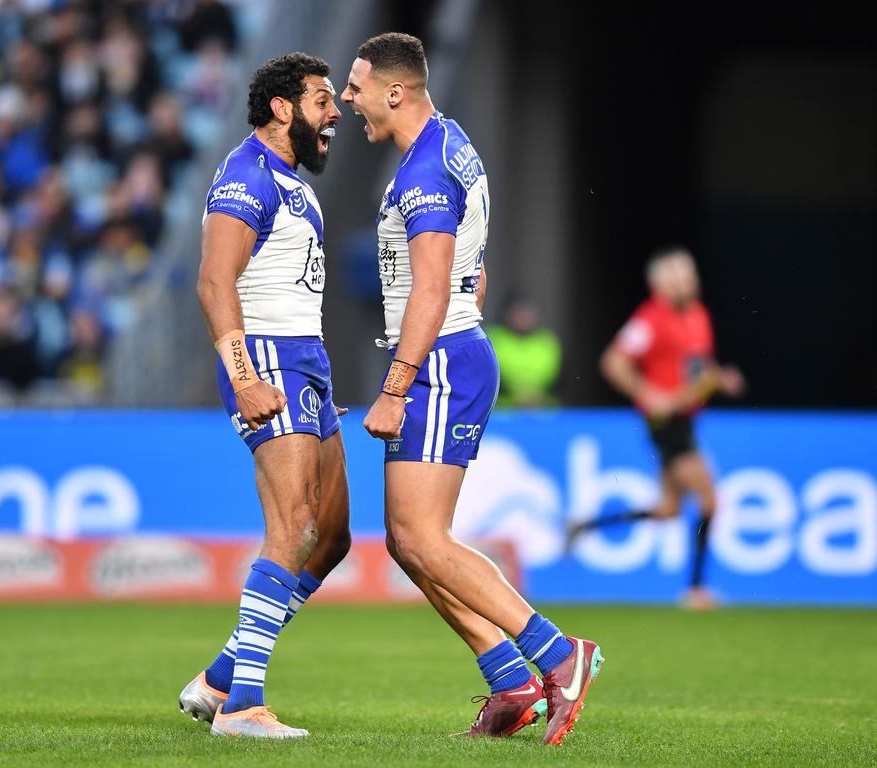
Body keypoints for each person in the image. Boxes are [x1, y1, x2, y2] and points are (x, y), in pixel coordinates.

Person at [341, 33, 602, 745]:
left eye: (357, 85)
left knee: (422, 536)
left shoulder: (422, 174)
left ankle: (556, 656)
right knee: (407, 540)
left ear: (396, 92)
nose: (346, 97)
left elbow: (431, 285)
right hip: (455, 347)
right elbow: (469, 267)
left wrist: (396, 384)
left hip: (438, 360)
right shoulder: (454, 143)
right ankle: (511, 684)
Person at [178, 52, 349, 740]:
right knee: (294, 525)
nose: (334, 111)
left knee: (330, 536)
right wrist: (244, 376)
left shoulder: (292, 180)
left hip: (308, 358)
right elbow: (215, 283)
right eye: (321, 100)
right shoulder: (247, 176)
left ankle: (221, 676)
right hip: (270, 359)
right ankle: (243, 705)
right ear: (283, 107)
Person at [569, 246, 744, 608]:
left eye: (689, 274)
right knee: (710, 500)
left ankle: (584, 527)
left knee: (668, 509)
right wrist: (647, 392)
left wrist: (718, 379)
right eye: (678, 276)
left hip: (687, 419)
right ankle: (696, 590)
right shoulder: (651, 319)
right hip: (668, 423)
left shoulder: (697, 316)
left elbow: (697, 368)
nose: (687, 282)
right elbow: (614, 361)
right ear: (660, 284)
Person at [487, 297, 561, 407]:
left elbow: (562, 377)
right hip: (502, 411)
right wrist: (516, 397)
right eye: (519, 313)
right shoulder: (494, 338)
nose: (523, 319)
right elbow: (485, 374)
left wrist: (536, 397)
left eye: (527, 314)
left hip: (543, 410)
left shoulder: (547, 341)